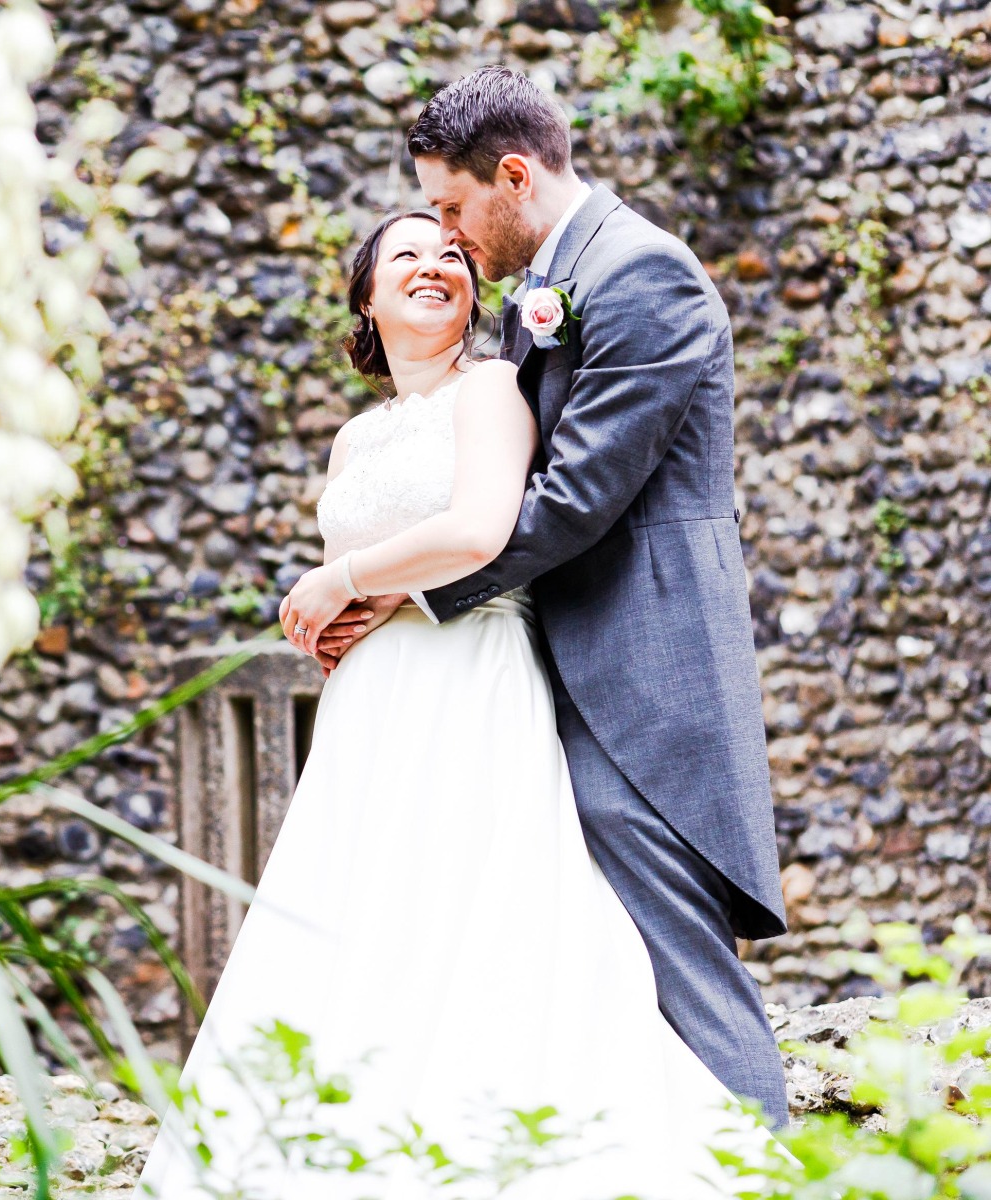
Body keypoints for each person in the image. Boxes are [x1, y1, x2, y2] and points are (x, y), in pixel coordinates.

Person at [137, 66, 783, 1200]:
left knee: (666, 969)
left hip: (640, 673)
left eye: (447, 209)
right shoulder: (546, 297)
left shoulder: (641, 278)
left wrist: (385, 589)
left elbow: (569, 502)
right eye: (416, 235)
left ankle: (769, 1177)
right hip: (494, 680)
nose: (443, 238)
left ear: (514, 176)